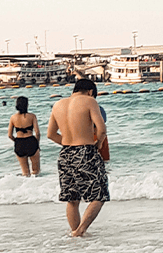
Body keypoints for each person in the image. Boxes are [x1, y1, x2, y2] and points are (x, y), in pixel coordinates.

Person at [45, 79, 109, 237]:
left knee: (72, 198)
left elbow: (51, 134)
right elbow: (101, 129)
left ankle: (75, 234)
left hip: (65, 154)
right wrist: (97, 144)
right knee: (100, 194)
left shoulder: (58, 104)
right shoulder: (89, 101)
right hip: (86, 151)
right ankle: (79, 231)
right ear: (90, 91)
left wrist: (69, 144)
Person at [7, 96, 41, 177]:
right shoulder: (32, 116)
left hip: (19, 142)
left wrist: (16, 141)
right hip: (31, 141)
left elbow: (10, 135)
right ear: (26, 105)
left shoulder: (13, 117)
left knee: (25, 173)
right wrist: (37, 143)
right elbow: (38, 133)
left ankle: (25, 187)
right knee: (36, 171)